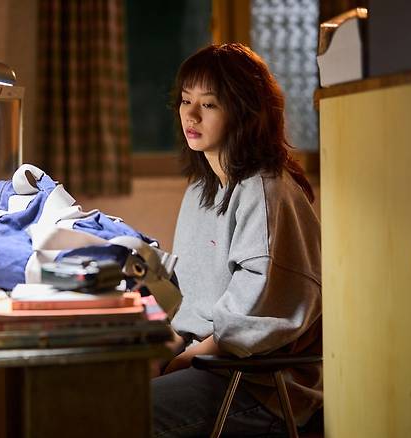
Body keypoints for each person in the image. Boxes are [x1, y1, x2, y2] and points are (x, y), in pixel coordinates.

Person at [152, 43, 322, 437]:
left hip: (257, 385)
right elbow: (190, 295)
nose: (191, 115)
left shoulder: (266, 190)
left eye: (209, 104)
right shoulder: (202, 189)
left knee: (117, 412)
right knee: (100, 390)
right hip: (210, 363)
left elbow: (254, 312)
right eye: (186, 100)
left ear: (244, 111)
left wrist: (182, 359)